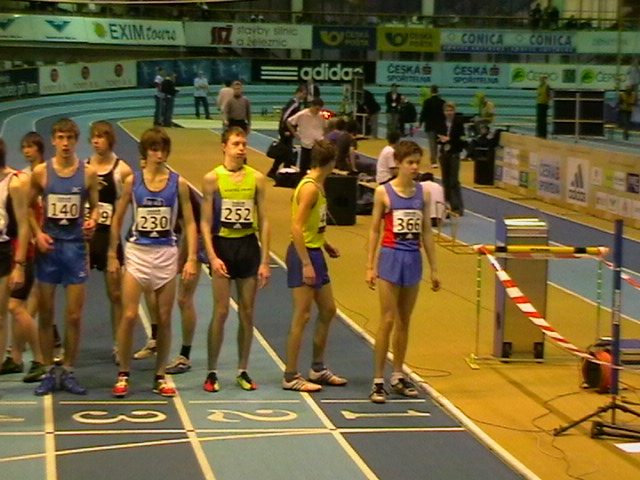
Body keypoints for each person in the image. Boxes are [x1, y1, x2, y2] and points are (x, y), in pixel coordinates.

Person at [108, 127, 197, 398]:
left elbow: (190, 223)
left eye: (163, 150)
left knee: (165, 318)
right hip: (138, 253)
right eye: (154, 149)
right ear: (145, 152)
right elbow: (117, 218)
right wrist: (112, 253)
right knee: (129, 315)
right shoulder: (132, 182)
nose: (159, 155)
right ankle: (124, 373)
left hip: (166, 253)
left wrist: (192, 258)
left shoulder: (178, 184)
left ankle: (160, 375)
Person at [29, 118, 100, 396]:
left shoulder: (88, 173)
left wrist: (93, 221)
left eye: (70, 138)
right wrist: (37, 233)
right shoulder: (41, 172)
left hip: (75, 249)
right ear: (53, 140)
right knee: (46, 313)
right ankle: (49, 370)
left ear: (76, 140)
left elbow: (96, 207)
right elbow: (27, 207)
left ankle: (68, 370)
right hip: (49, 248)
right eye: (61, 138)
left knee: (73, 315)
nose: (66, 143)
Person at [366, 140, 440, 404]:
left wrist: (434, 268)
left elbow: (427, 232)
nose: (415, 167)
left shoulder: (423, 194)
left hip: (412, 259)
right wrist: (370, 266)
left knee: (404, 321)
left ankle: (398, 374)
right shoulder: (383, 193)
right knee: (387, 320)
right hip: (390, 258)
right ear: (398, 163)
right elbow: (374, 230)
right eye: (410, 162)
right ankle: (378, 380)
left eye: (417, 162)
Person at [200, 127, 271, 392]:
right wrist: (212, 256)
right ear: (224, 146)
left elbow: (264, 221)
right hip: (223, 246)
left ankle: (242, 370)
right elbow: (205, 223)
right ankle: (212, 372)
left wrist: (265, 260)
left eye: (244, 144)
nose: (241, 148)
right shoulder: (212, 179)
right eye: (236, 143)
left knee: (247, 312)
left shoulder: (257, 179)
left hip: (248, 246)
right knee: (220, 312)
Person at [282, 139, 347, 392]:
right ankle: (290, 375)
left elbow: (311, 224)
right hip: (303, 255)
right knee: (303, 315)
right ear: (331, 162)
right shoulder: (309, 188)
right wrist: (306, 263)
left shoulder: (318, 185)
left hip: (315, 250)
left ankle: (317, 368)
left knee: (328, 310)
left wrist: (325, 243)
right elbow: (296, 227)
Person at [86, 121, 134, 363]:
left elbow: (128, 208)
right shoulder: (83, 168)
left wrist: (116, 248)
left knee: (115, 294)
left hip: (108, 238)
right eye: (93, 137)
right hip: (85, 238)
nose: (96, 141)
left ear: (110, 140)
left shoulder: (121, 170)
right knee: (72, 293)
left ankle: (119, 343)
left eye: (101, 137)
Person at [3, 132, 46, 383]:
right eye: (24, 147)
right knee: (14, 307)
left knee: (16, 307)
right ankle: (16, 357)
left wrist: (36, 237)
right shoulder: (20, 178)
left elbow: (27, 217)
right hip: (17, 248)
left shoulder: (24, 181)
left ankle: (39, 359)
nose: (27, 151)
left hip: (26, 250)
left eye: (31, 147)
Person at [0, 139, 30, 382]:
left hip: (3, 251)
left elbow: (23, 226)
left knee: (1, 314)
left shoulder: (14, 182)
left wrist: (19, 265)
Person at [267, 85, 306, 178]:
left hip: (289, 131)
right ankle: (285, 172)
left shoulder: (297, 104)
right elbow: (285, 116)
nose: (304, 96)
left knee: (283, 152)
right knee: (288, 153)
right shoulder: (293, 103)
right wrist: (284, 130)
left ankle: (274, 171)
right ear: (298, 93)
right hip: (286, 132)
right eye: (303, 93)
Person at [437, 102, 466, 216]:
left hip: (454, 153)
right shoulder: (441, 122)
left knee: (454, 181)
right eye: (447, 111)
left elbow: (462, 139)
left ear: (454, 111)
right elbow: (436, 137)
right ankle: (447, 206)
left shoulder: (458, 123)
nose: (449, 113)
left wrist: (450, 139)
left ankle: (457, 207)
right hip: (444, 153)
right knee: (445, 181)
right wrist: (440, 140)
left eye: (451, 110)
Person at [287, 98, 327, 175]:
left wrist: (324, 137)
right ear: (312, 106)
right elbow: (289, 122)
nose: (317, 111)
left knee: (316, 166)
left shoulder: (321, 115)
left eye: (319, 109)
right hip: (306, 143)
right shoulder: (302, 114)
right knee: (304, 166)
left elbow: (325, 127)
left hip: (318, 143)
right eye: (316, 109)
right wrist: (295, 134)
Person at [419, 85, 446, 168]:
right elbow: (444, 115)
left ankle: (433, 162)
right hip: (440, 126)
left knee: (432, 144)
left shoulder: (427, 102)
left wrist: (420, 122)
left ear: (431, 91)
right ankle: (442, 159)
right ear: (437, 91)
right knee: (441, 143)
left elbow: (423, 113)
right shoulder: (442, 102)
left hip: (430, 126)